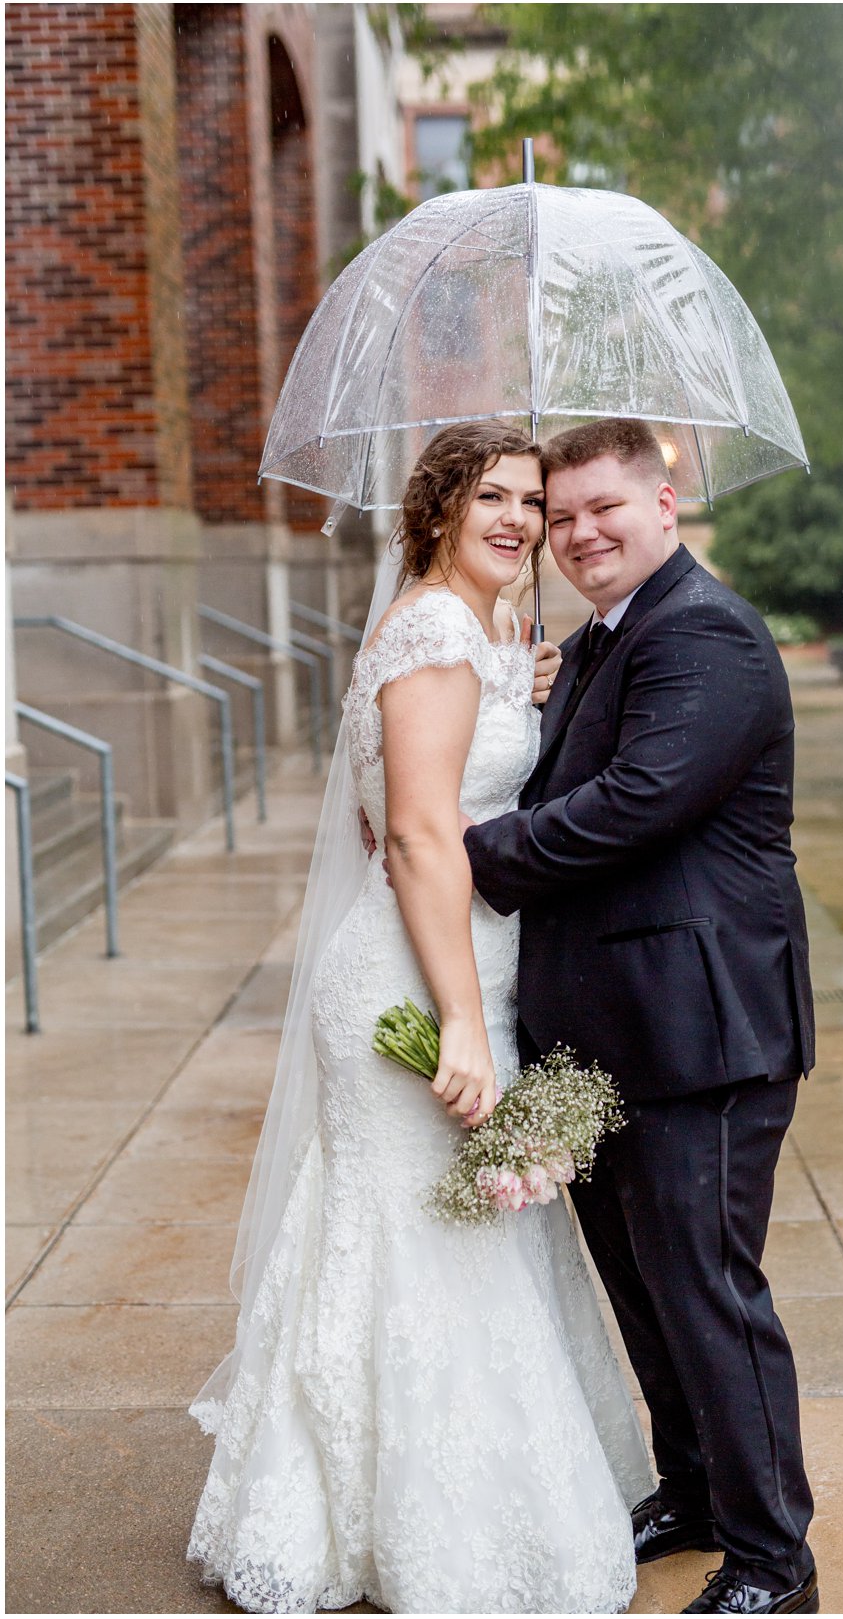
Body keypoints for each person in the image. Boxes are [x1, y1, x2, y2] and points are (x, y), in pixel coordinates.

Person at [187, 420, 654, 1615]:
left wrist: (521, 686)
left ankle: (360, 1501)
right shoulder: (441, 628)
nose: (518, 520)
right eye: (491, 496)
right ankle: (420, 1527)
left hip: (456, 960)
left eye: (532, 505)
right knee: (428, 1240)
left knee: (430, 1233)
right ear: (440, 506)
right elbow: (412, 834)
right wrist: (459, 1019)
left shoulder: (469, 631)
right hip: (417, 979)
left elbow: (435, 777)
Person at [462, 419, 819, 1617]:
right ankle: (696, 1487)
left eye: (603, 507)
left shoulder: (705, 632)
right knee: (641, 1284)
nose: (578, 534)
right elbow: (575, 766)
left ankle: (774, 1561)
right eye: (559, 519)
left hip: (698, 1034)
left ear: (665, 504)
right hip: (603, 1030)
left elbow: (637, 801)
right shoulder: (601, 641)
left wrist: (469, 856)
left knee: (707, 1289)